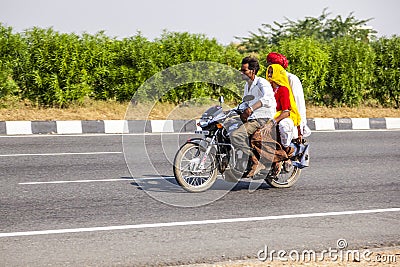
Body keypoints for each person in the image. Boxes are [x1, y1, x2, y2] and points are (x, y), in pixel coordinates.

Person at [230, 56, 276, 173]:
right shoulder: (247, 85)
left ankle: (255, 160)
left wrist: (251, 109)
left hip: (262, 117)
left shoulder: (262, 83)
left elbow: (267, 99)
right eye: (241, 70)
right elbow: (245, 103)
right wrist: (229, 111)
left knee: (236, 135)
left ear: (253, 71)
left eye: (244, 70)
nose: (241, 72)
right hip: (252, 116)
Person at [266, 52, 311, 142]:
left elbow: (298, 104)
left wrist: (300, 129)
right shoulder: (268, 80)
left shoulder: (292, 79)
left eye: (270, 64)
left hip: (288, 115)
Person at [266, 63, 301, 157]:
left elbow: (286, 112)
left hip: (283, 115)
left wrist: (273, 121)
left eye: (272, 72)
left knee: (284, 126)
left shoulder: (283, 89)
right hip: (272, 114)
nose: (269, 75)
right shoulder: (267, 89)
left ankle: (287, 151)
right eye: (268, 72)